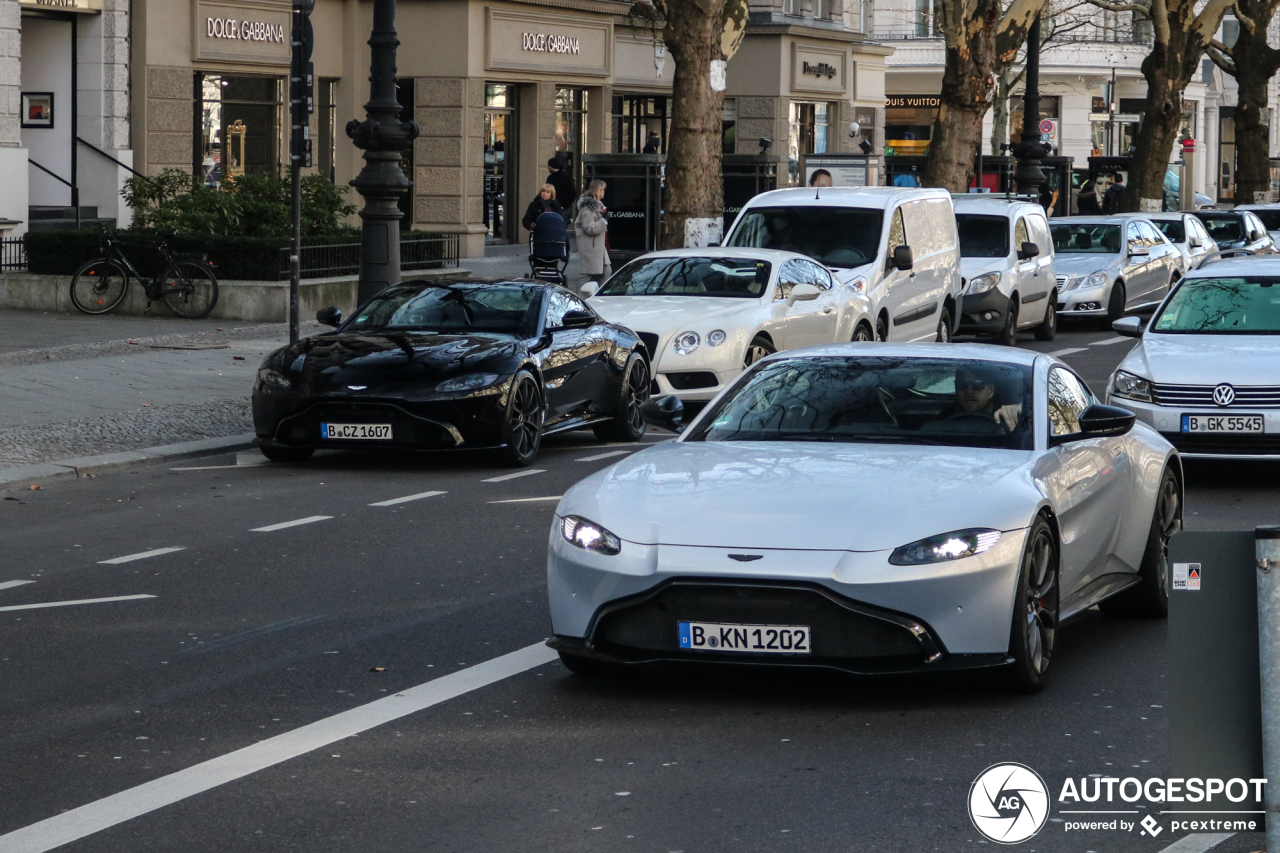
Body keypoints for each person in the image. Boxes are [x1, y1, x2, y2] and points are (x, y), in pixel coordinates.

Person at [942, 367, 1022, 430]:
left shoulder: (1007, 417)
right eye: (962, 385)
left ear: (990, 390)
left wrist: (1021, 408)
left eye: (977, 385)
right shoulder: (944, 416)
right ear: (956, 388)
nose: (969, 391)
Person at [574, 179, 611, 289]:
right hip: (591, 247)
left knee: (606, 270)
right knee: (587, 275)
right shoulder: (589, 208)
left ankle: (597, 295)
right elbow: (589, 228)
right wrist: (602, 222)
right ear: (598, 191)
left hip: (597, 246)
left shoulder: (597, 205)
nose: (604, 192)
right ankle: (580, 297)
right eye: (603, 190)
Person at [545, 158, 575, 222]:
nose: (548, 168)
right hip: (556, 207)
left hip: (561, 208)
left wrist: (564, 205)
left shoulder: (565, 178)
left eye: (549, 166)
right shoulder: (566, 177)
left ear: (551, 166)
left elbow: (572, 193)